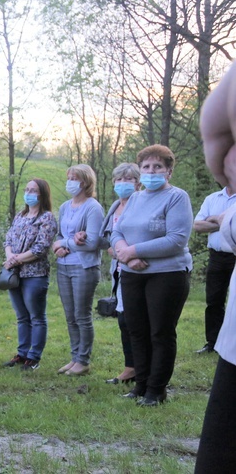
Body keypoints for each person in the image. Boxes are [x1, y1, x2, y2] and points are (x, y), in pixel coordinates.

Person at [111, 144, 193, 406]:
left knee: (160, 332)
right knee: (137, 331)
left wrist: (132, 250)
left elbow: (176, 240)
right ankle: (141, 385)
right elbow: (117, 232)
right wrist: (126, 253)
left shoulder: (177, 197)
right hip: (132, 274)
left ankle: (156, 390)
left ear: (168, 171)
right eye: (146, 167)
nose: (151, 171)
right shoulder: (134, 198)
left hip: (167, 275)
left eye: (158, 166)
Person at [196, 61, 236, 471]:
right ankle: (208, 339)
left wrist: (228, 222)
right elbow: (199, 222)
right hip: (221, 256)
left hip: (231, 250)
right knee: (213, 302)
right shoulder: (215, 197)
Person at [1, 179, 58, 371]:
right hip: (14, 274)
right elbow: (8, 239)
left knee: (36, 316)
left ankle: (34, 357)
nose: (29, 193)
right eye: (27, 190)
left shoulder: (47, 218)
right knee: (22, 316)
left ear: (42, 193)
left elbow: (41, 248)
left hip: (35, 274)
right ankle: (22, 353)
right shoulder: (21, 215)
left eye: (33, 190)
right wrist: (10, 258)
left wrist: (16, 259)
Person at [53, 164, 104, 376]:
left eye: (74, 178)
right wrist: (59, 247)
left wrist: (66, 244)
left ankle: (83, 361)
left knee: (82, 315)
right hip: (63, 267)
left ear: (85, 182)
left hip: (84, 267)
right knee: (70, 316)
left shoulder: (93, 207)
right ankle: (74, 358)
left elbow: (93, 242)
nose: (70, 181)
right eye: (69, 177)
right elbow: (58, 236)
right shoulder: (65, 206)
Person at [99, 162, 141, 385]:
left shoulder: (141, 204)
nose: (123, 184)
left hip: (137, 269)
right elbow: (106, 238)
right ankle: (131, 368)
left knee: (134, 321)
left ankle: (142, 369)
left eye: (129, 179)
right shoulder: (115, 206)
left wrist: (126, 253)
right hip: (118, 270)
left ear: (137, 182)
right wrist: (112, 250)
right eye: (119, 179)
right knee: (124, 321)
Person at [193, 186, 236, 354]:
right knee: (213, 301)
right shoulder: (212, 198)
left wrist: (214, 220)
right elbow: (197, 226)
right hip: (216, 257)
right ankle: (213, 343)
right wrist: (225, 221)